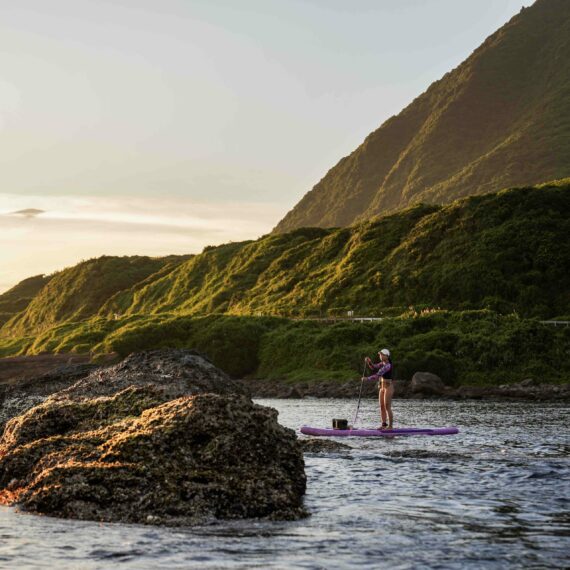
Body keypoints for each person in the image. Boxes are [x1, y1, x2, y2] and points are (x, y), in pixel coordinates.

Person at [362, 348, 394, 429]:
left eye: (382, 354)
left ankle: (390, 426)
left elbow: (378, 375)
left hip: (388, 387)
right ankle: (384, 425)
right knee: (381, 406)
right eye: (380, 354)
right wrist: (369, 362)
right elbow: (373, 367)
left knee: (387, 407)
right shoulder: (382, 363)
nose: (380, 356)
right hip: (382, 386)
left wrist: (367, 379)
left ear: (387, 356)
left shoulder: (388, 365)